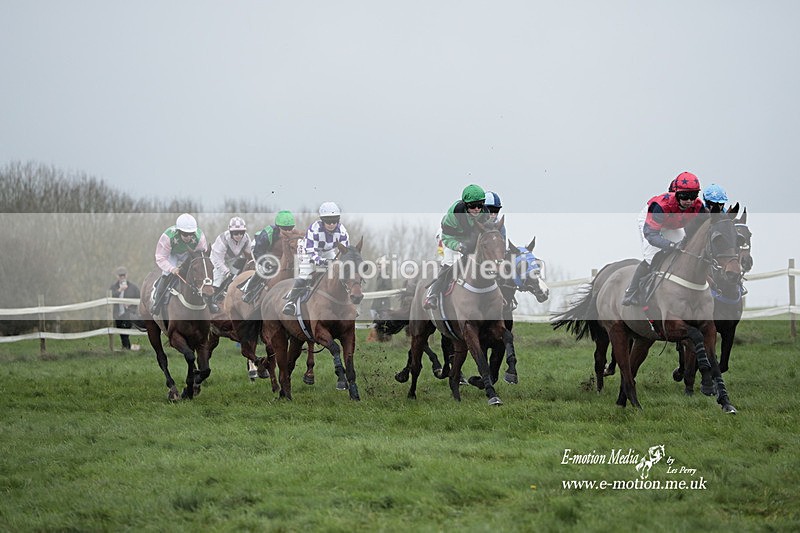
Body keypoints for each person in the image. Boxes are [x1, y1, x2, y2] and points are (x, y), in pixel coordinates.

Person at [622, 172, 708, 306]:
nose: (690, 201)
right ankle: (631, 292)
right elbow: (651, 235)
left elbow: (709, 224)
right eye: (685, 196)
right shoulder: (660, 206)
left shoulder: (698, 205)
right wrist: (672, 245)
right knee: (653, 257)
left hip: (673, 223)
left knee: (684, 253)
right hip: (651, 225)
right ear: (676, 194)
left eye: (693, 196)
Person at [423, 184, 488, 310]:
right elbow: (447, 238)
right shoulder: (453, 215)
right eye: (472, 206)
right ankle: (433, 294)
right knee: (449, 263)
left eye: (479, 205)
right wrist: (458, 246)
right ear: (465, 204)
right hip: (452, 238)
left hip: (471, 239)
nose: (476, 209)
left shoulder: (485, 213)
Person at [282, 202, 349, 316]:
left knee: (341, 272)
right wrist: (322, 262)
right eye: (328, 221)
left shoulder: (342, 230)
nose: (332, 224)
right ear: (322, 220)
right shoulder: (314, 229)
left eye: (334, 220)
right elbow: (311, 252)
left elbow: (345, 251)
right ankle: (291, 302)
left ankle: (347, 302)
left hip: (328, 252)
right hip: (309, 251)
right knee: (305, 274)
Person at [150, 213, 209, 315]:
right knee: (166, 274)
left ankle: (211, 302)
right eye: (185, 234)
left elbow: (201, 256)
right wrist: (171, 268)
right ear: (179, 231)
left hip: (190, 254)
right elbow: (160, 257)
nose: (188, 237)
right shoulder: (168, 236)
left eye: (191, 234)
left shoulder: (200, 236)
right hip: (172, 254)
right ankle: (157, 303)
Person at [242, 210, 296, 304]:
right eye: (285, 229)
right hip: (260, 249)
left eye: (290, 228)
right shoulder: (268, 233)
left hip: (277, 254)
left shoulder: (293, 235)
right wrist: (266, 264)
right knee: (264, 269)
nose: (288, 231)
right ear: (278, 227)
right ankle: (249, 290)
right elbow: (258, 252)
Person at [210, 216, 252, 310]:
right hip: (217, 258)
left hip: (233, 259)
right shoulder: (223, 240)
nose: (239, 235)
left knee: (237, 277)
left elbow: (249, 255)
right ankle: (211, 302)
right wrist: (226, 272)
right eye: (236, 233)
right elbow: (218, 260)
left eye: (241, 232)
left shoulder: (246, 239)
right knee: (219, 277)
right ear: (230, 232)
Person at [110, 266, 140, 350]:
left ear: (127, 275)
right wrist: (119, 290)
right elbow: (110, 297)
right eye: (120, 275)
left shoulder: (133, 287)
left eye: (123, 275)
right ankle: (127, 348)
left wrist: (131, 304)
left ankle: (126, 348)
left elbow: (139, 298)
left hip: (129, 313)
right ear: (117, 276)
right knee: (121, 331)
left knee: (125, 329)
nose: (122, 277)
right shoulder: (114, 287)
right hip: (117, 314)